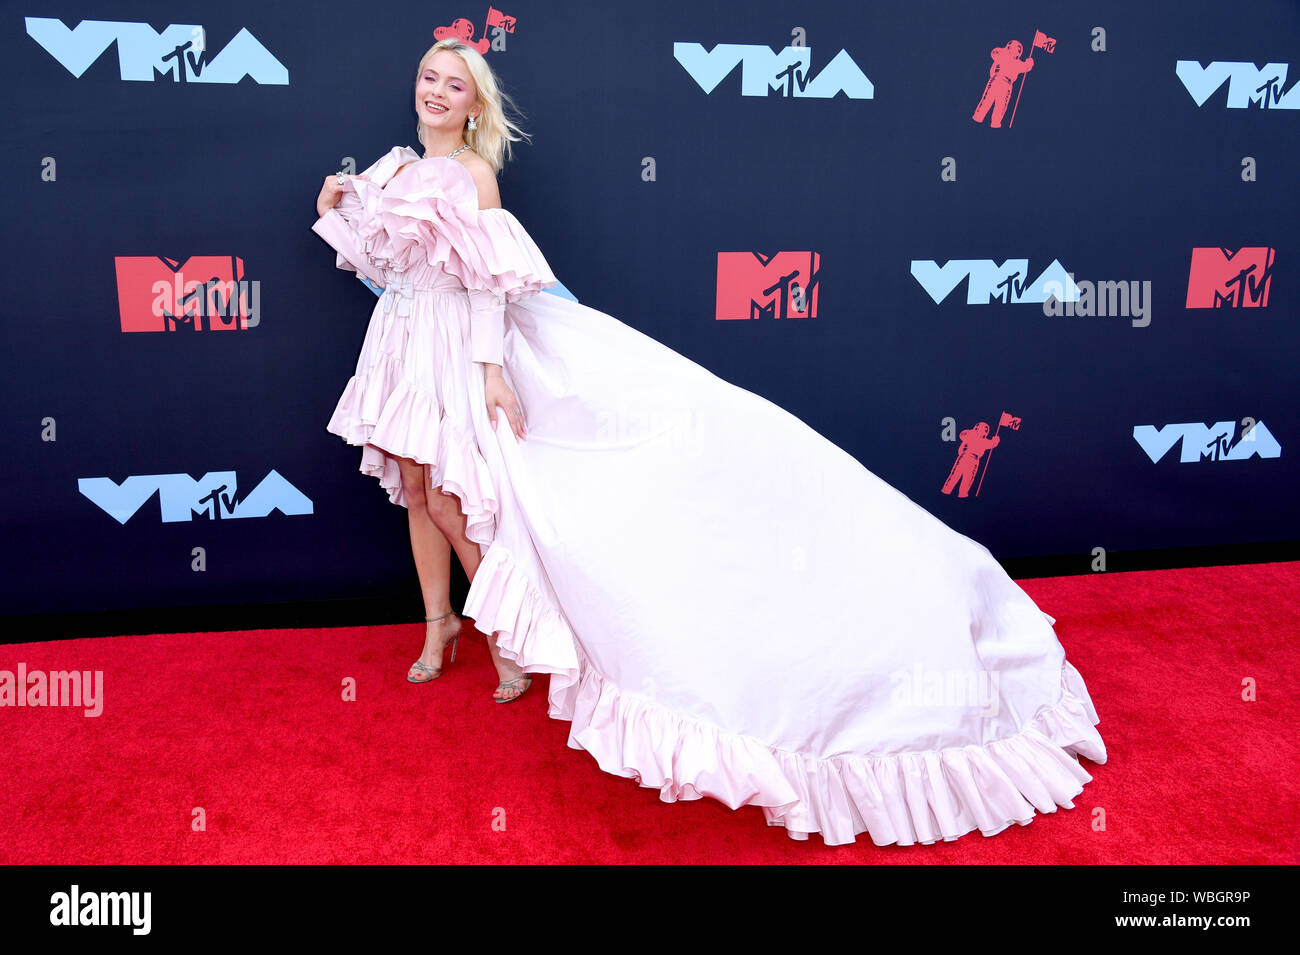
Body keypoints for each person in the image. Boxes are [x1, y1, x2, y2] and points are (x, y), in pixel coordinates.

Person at [312, 37, 1108, 845]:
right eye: (429, 79)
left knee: (457, 497)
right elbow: (381, 265)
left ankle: (503, 639)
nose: (438, 92)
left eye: (456, 84)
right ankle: (439, 622)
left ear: (476, 104)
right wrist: (335, 206)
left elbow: (487, 280)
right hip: (401, 345)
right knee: (413, 485)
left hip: (459, 349)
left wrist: (489, 371)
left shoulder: (473, 176)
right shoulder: (393, 170)